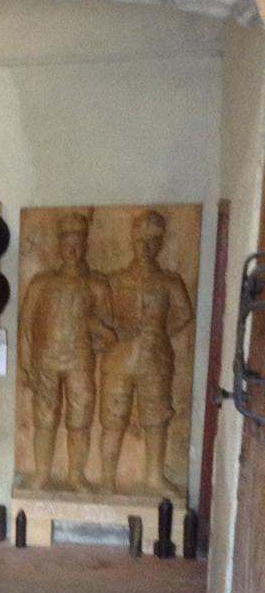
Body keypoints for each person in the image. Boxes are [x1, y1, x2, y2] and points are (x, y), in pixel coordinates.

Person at [99, 210, 193, 496]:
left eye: (152, 240)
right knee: (113, 418)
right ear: (133, 241)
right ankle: (106, 478)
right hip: (119, 359)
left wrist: (160, 333)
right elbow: (99, 315)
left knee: (156, 419)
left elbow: (184, 314)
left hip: (155, 359)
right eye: (140, 240)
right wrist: (114, 332)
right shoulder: (114, 280)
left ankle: (154, 476)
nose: (145, 246)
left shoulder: (169, 282)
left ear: (161, 243)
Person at [19, 212, 114, 491]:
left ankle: (76, 474)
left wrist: (94, 332)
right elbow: (26, 325)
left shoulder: (97, 284)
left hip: (80, 360)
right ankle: (42, 473)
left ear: (85, 245)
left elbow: (107, 330)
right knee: (45, 417)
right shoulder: (42, 283)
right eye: (67, 242)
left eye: (78, 242)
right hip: (45, 360)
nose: (72, 249)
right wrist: (26, 364)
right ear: (59, 245)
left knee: (80, 418)